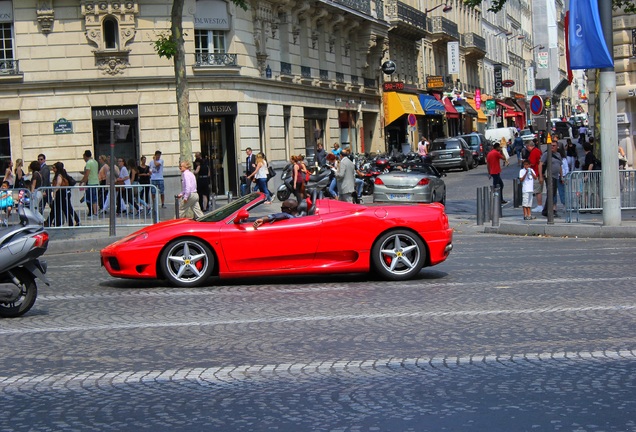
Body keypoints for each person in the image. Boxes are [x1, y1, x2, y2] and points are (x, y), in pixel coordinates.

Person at [539, 142, 563, 217]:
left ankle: (548, 210)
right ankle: (547, 210)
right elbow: (540, 164)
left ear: (557, 146)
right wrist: (540, 176)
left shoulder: (558, 155)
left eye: (554, 146)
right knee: (551, 193)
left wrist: (561, 176)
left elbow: (560, 166)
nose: (552, 147)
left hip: (556, 176)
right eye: (551, 145)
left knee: (553, 194)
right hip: (549, 176)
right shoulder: (546, 154)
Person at [79, 150, 99, 218]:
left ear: (85, 156)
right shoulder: (95, 162)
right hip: (96, 182)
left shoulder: (88, 163)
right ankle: (95, 212)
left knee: (90, 198)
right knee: (94, 198)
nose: (83, 159)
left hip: (90, 183)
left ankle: (93, 213)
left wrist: (82, 181)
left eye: (83, 157)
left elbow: (87, 174)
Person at [525, 139, 544, 213]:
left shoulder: (534, 152)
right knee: (537, 190)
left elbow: (532, 163)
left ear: (529, 146)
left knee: (537, 191)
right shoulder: (537, 150)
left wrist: (526, 163)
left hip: (536, 174)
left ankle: (539, 205)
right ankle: (539, 205)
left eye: (527, 147)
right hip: (537, 173)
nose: (526, 149)